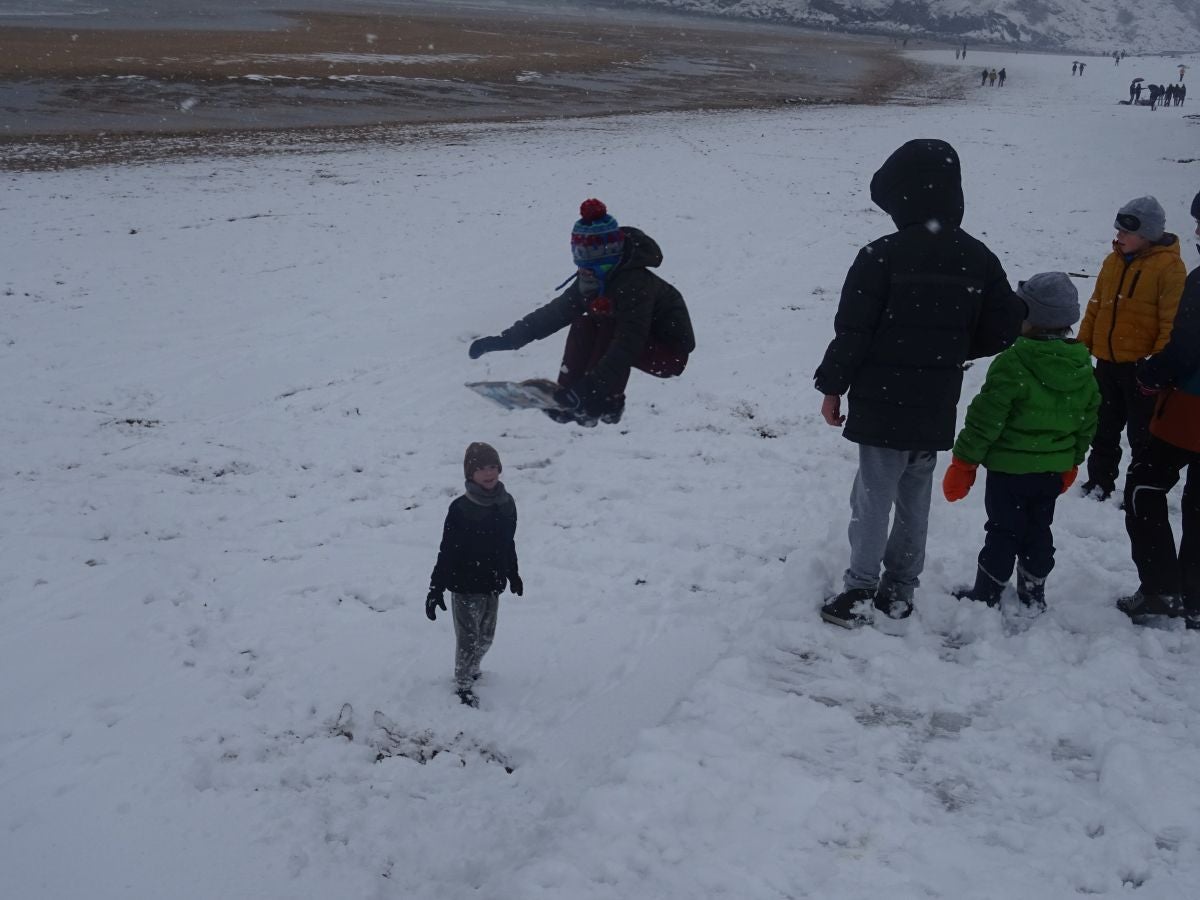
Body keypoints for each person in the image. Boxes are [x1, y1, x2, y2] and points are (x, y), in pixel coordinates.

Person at [814, 139, 1024, 629]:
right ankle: (901, 590)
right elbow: (1004, 326)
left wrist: (832, 387)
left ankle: (860, 590)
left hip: (880, 400)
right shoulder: (979, 257)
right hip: (934, 401)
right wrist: (951, 348)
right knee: (914, 497)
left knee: (872, 496)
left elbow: (853, 332)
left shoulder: (879, 255)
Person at [944, 273, 1100, 613]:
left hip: (1008, 472)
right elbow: (1087, 421)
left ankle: (987, 593)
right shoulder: (1081, 367)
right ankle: (1033, 592)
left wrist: (964, 462)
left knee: (1002, 531)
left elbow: (985, 418)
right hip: (1050, 472)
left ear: (1029, 317)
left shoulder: (1013, 362)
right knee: (1039, 530)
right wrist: (1073, 460)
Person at [468, 199, 695, 426]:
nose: (583, 264)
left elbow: (628, 344)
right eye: (579, 252)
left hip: (668, 355)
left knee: (610, 325)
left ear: (607, 253)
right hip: (632, 343)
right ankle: (567, 400)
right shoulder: (591, 279)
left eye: (588, 254)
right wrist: (506, 340)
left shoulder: (634, 283)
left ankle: (606, 403)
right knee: (584, 323)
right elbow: (554, 314)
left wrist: (592, 388)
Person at [1119, 190, 1200, 626]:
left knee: (1144, 486)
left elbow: (1186, 345)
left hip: (1191, 410)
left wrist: (1153, 374)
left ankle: (1161, 588)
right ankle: (1196, 599)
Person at [1078, 196, 1185, 501]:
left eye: (1126, 232)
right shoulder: (1112, 261)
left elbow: (1171, 322)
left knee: (1142, 436)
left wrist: (1159, 365)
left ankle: (1139, 491)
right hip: (1107, 363)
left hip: (1143, 368)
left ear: (1147, 234)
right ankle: (1099, 481)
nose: (1118, 236)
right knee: (1104, 428)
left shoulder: (1170, 268)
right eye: (1118, 231)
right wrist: (1082, 347)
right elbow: (1095, 307)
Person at [426, 442, 522, 707]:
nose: (488, 473)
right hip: (465, 584)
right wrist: (436, 588)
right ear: (470, 473)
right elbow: (446, 551)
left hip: (493, 582)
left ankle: (473, 669)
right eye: (480, 468)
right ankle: (463, 684)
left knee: (486, 636)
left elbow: (508, 542)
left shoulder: (506, 503)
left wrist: (513, 573)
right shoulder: (460, 509)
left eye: (492, 466)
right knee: (468, 639)